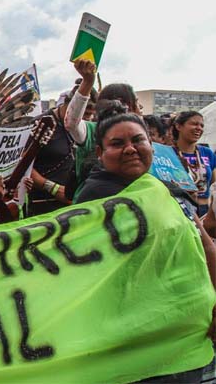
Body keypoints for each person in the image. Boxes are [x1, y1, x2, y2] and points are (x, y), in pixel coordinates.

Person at [74, 105, 216, 383]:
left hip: (183, 335)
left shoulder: (167, 190)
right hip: (129, 341)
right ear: (101, 155)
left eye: (138, 140)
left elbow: (206, 245)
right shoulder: (95, 198)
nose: (130, 149)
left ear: (151, 145)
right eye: (117, 144)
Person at [64, 59, 142, 200]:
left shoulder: (142, 135)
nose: (140, 108)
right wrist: (88, 82)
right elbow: (71, 122)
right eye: (136, 102)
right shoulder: (93, 130)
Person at [24, 82, 97, 216]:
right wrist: (53, 188)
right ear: (71, 106)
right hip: (43, 205)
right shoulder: (40, 124)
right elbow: (23, 163)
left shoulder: (86, 129)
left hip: (74, 204)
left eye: (91, 115)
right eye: (85, 114)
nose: (87, 119)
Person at [172, 111, 216, 216]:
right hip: (180, 210)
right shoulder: (168, 153)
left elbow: (214, 184)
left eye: (201, 125)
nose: (199, 128)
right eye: (194, 124)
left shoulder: (207, 153)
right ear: (178, 126)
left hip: (205, 210)